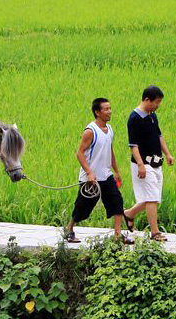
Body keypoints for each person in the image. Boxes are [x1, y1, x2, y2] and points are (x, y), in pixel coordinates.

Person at [65, 98, 133, 245]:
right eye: (106, 109)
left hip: (106, 175)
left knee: (117, 202)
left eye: (110, 108)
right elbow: (79, 153)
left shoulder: (110, 130)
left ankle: (117, 235)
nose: (109, 112)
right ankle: (70, 228)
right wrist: (89, 172)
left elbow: (110, 150)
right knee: (83, 206)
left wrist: (116, 171)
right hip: (90, 178)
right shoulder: (90, 131)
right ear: (97, 112)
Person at [122, 85, 175, 242]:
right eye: (157, 102)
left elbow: (158, 136)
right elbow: (133, 145)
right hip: (144, 164)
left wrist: (168, 153)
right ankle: (155, 232)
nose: (158, 105)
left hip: (156, 162)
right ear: (147, 99)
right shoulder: (134, 118)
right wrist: (140, 165)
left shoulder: (153, 116)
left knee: (153, 197)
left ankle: (129, 214)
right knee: (152, 198)